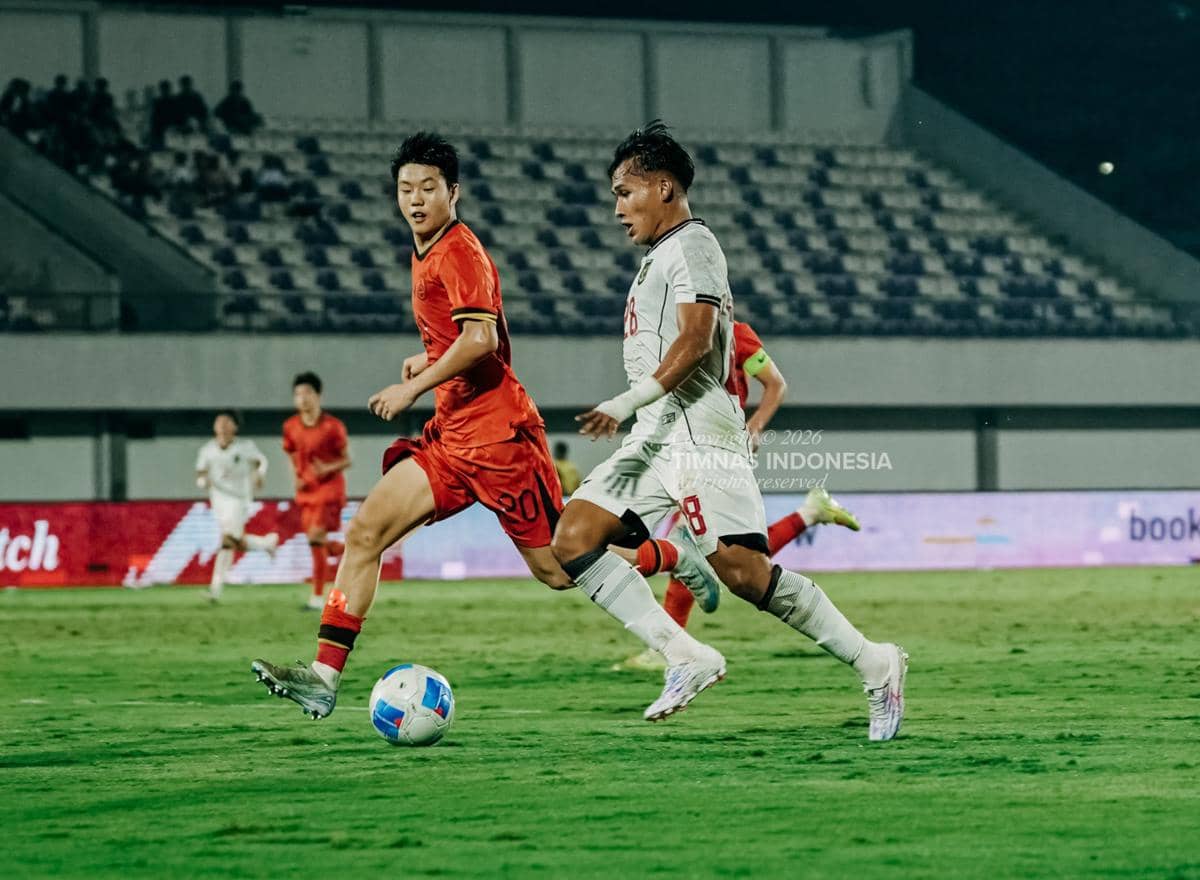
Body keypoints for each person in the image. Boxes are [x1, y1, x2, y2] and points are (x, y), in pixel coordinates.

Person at [250, 132, 717, 719]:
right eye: (405, 189)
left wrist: (412, 387)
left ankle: (670, 558)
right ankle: (323, 674)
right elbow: (470, 337)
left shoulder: (459, 252)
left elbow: (483, 338)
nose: (415, 199)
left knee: (556, 568)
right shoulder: (424, 250)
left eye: (428, 188)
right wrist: (431, 360)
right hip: (451, 438)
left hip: (501, 441)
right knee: (365, 532)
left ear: (455, 193)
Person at [549, 121, 907, 740]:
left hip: (698, 431)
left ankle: (876, 662)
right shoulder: (660, 254)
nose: (616, 209)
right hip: (656, 435)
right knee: (573, 538)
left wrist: (628, 398)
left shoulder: (693, 244)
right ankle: (685, 654)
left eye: (624, 192)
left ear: (663, 188)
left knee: (743, 573)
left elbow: (697, 339)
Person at [619, 319, 863, 670]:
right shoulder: (671, 337)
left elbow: (775, 384)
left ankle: (668, 650)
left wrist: (754, 427)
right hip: (681, 448)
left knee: (710, 550)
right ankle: (810, 513)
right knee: (715, 550)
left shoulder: (734, 333)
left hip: (716, 451)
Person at [282, 372, 350, 610]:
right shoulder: (290, 427)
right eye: (298, 394)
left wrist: (325, 468)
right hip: (307, 491)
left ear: (318, 395)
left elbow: (346, 460)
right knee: (317, 543)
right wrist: (296, 479)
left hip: (329, 489)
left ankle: (318, 597)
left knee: (315, 539)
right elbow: (291, 454)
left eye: (307, 393)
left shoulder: (333, 427)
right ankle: (353, 550)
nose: (303, 398)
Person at [195, 410, 278, 602]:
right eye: (219, 422)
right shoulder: (207, 450)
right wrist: (202, 480)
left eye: (227, 422)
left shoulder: (245, 447)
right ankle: (266, 544)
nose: (223, 426)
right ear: (215, 426)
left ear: (235, 427)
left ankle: (215, 589)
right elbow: (200, 471)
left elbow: (261, 461)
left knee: (226, 540)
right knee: (233, 541)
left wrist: (260, 474)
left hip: (239, 500)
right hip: (218, 501)